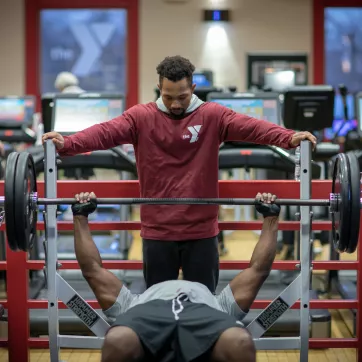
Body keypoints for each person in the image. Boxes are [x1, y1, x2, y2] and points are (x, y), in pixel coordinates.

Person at [43, 55, 317, 293]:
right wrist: (67, 144)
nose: (175, 104)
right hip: (157, 232)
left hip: (201, 232)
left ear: (193, 88)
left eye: (182, 97)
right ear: (159, 88)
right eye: (168, 96)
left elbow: (254, 128)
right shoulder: (140, 117)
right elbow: (104, 132)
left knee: (204, 306)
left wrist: (289, 137)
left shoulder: (213, 115)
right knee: (158, 307)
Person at [72, 191, 281, 362]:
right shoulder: (220, 303)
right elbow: (92, 269)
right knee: (118, 340)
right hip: (151, 316)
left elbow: (258, 270)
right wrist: (80, 217)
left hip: (201, 317)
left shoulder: (130, 303)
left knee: (240, 343)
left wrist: (270, 217)